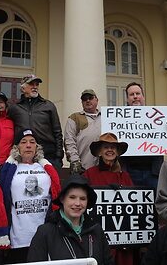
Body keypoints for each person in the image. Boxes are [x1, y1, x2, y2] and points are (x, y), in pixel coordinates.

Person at [0, 129, 62, 263]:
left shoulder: (49, 169)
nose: (28, 145)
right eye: (23, 142)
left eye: (32, 142)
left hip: (46, 235)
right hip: (18, 238)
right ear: (17, 147)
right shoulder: (6, 170)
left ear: (37, 147)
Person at [27, 175, 114, 265]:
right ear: (62, 199)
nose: (77, 203)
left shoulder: (97, 230)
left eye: (83, 198)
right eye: (72, 197)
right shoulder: (45, 232)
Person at [82, 132, 134, 265]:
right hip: (97, 235)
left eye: (113, 147)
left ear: (117, 152)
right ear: (99, 152)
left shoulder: (126, 176)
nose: (110, 150)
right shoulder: (88, 174)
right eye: (106, 147)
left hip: (122, 239)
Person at [7, 74, 64, 175]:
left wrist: (59, 156)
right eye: (31, 84)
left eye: (37, 84)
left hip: (48, 154)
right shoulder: (14, 108)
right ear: (23, 88)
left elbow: (57, 132)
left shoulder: (49, 105)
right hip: (23, 155)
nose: (35, 87)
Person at [118, 82, 164, 189]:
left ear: (143, 96)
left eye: (137, 93)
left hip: (153, 171)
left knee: (155, 203)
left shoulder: (156, 117)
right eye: (131, 94)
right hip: (129, 171)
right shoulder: (119, 118)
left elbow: (166, 142)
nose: (135, 97)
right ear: (127, 99)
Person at [64, 89, 102, 175]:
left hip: (105, 168)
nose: (87, 100)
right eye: (84, 99)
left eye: (90, 98)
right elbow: (69, 140)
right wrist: (75, 161)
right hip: (83, 168)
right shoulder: (75, 117)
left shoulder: (107, 116)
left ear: (97, 100)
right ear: (82, 102)